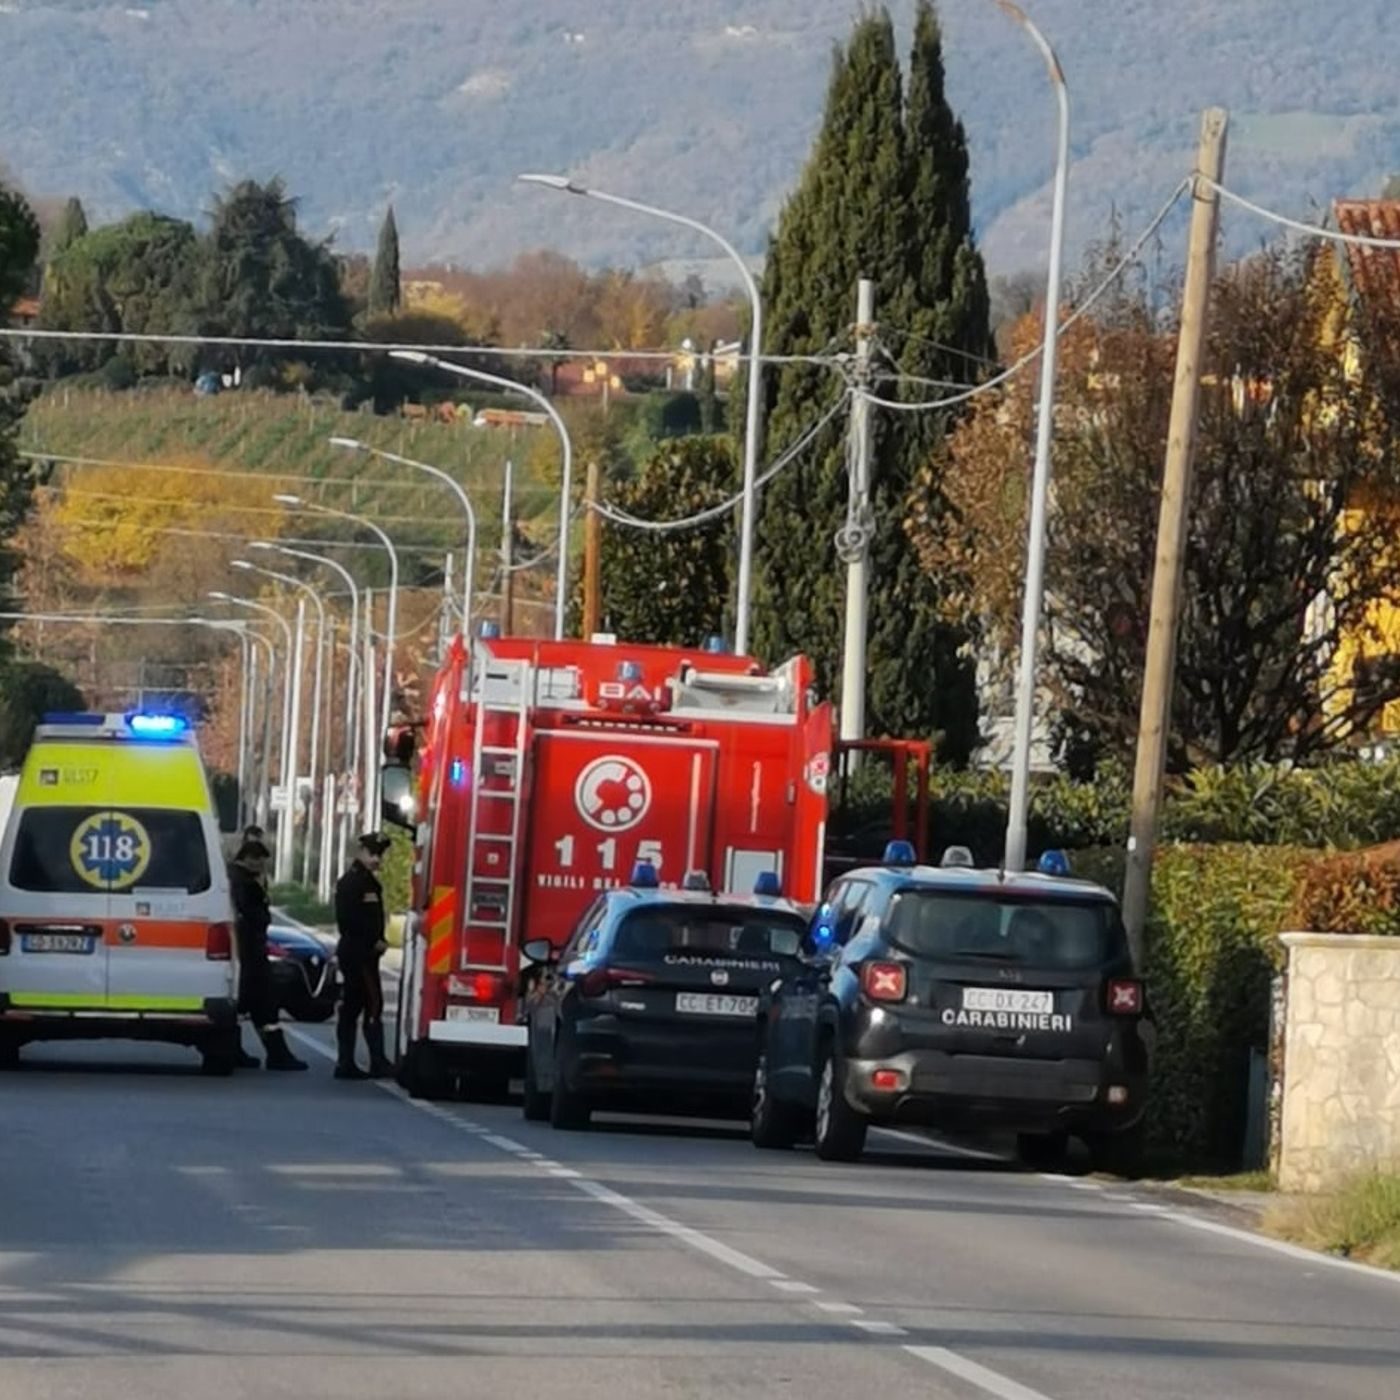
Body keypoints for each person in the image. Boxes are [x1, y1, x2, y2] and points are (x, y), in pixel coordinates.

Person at [227, 837, 309, 1071]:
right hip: (251, 951)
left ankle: (241, 1051)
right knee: (264, 1005)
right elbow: (257, 915)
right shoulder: (246, 882)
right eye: (259, 861)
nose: (262, 867)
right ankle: (277, 1055)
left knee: (247, 1004)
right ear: (248, 859)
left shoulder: (231, 877)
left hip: (242, 951)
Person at [334, 832, 393, 1081]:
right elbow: (349, 920)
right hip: (360, 953)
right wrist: (373, 941)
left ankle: (351, 1062)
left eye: (380, 854)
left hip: (361, 953)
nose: (377, 859)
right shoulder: (354, 882)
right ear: (361, 853)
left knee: (355, 1005)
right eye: (373, 854)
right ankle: (373, 1062)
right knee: (372, 1003)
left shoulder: (366, 880)